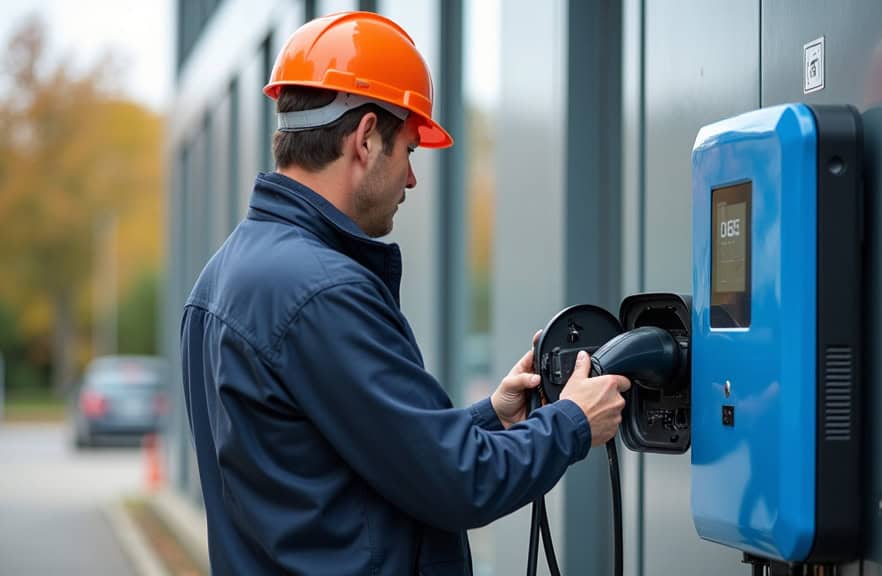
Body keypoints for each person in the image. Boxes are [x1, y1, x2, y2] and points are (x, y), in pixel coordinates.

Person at [180, 11, 630, 575]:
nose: (412, 179)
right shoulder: (323, 293)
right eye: (410, 150)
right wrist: (571, 423)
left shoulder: (220, 281)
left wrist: (491, 418)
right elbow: (456, 482)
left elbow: (365, 457)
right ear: (367, 138)